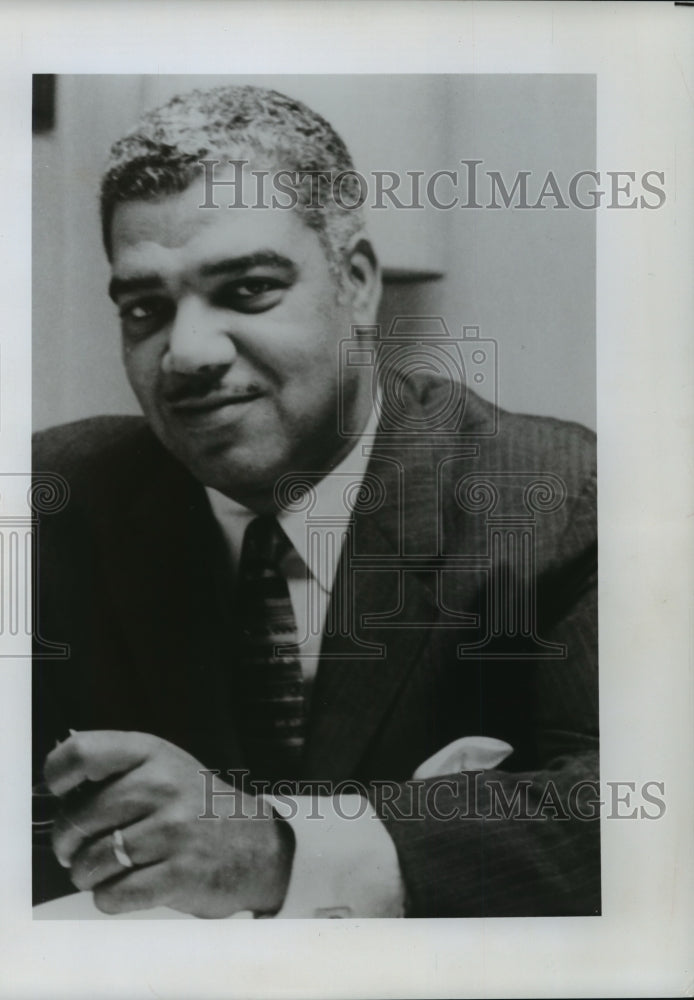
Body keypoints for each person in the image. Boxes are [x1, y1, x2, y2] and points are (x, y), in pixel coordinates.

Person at [32, 85, 599, 918]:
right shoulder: (48, 504)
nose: (186, 353)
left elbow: (635, 814)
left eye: (248, 289)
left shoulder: (554, 494)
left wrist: (282, 847)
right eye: (146, 308)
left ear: (358, 283)